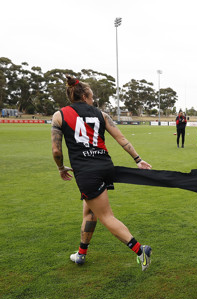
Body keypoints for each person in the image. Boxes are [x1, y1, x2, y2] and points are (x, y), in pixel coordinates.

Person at [51, 75, 153, 270]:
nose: (93, 99)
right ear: (85, 95)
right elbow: (122, 139)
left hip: (87, 172)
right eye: (92, 96)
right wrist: (138, 160)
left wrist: (60, 168)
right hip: (106, 167)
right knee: (90, 211)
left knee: (106, 216)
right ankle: (81, 254)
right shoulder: (101, 114)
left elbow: (56, 151)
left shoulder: (59, 115)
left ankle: (141, 251)